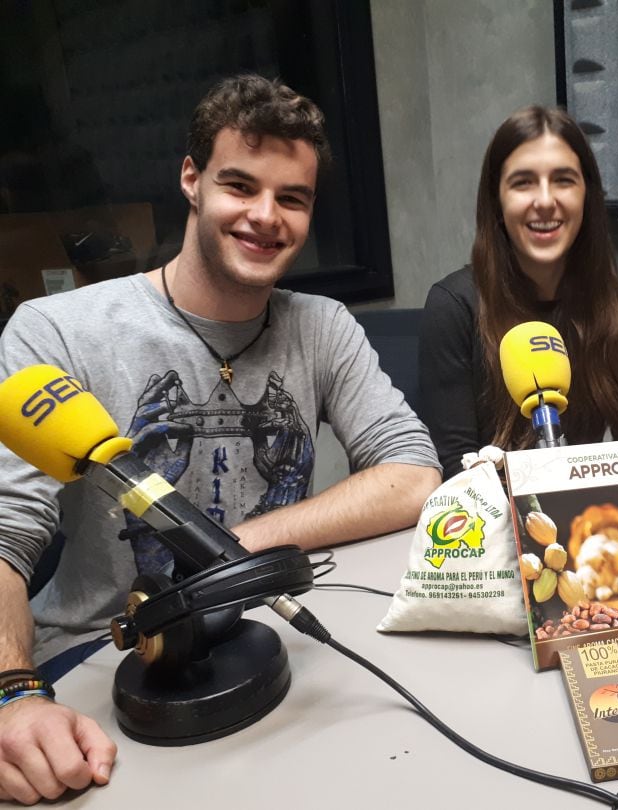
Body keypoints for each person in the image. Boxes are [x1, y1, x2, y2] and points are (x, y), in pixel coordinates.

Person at [0, 74, 441, 805]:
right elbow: (3, 539)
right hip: (94, 671)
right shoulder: (56, 333)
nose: (266, 216)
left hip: (270, 639)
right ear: (191, 180)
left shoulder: (323, 326)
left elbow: (412, 473)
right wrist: (12, 696)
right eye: (240, 185)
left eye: (292, 198)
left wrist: (227, 553)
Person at [419, 105, 618, 477]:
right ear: (497, 201)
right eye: (523, 182)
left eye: (563, 180)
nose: (545, 200)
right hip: (491, 524)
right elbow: (453, 471)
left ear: (586, 196)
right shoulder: (454, 305)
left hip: (584, 522)